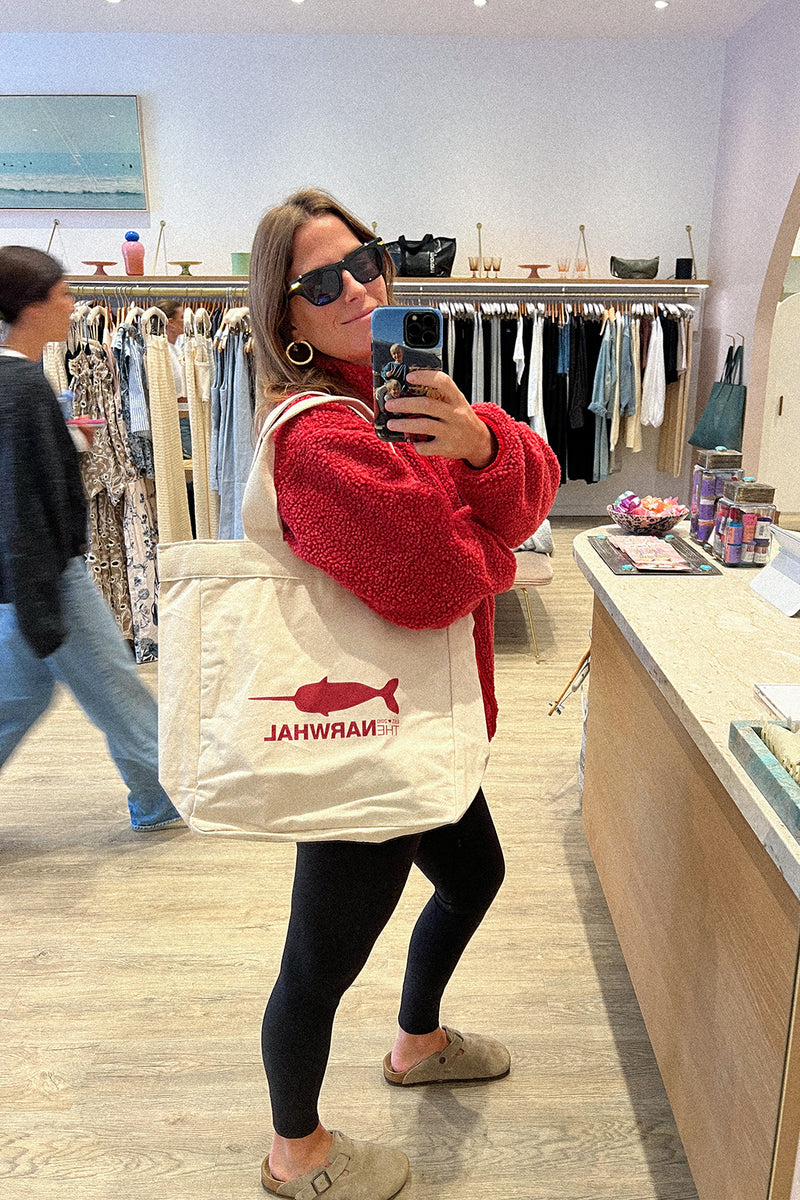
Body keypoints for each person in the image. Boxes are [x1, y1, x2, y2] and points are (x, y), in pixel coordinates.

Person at [246, 189, 560, 1200]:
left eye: (365, 261)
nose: (356, 289)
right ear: (285, 313)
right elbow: (434, 581)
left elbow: (535, 487)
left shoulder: (407, 404)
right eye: (320, 281)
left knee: (475, 878)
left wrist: (478, 446)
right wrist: (496, 554)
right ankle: (295, 1153)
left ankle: (417, 1042)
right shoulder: (317, 440)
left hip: (426, 724)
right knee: (317, 964)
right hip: (364, 736)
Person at [0, 245, 182, 832]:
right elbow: (22, 503)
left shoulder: (15, 384)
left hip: (26, 575)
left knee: (21, 697)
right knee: (114, 688)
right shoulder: (22, 387)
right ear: (33, 307)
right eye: (63, 294)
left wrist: (65, 441)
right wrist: (39, 600)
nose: (72, 304)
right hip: (48, 573)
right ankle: (161, 798)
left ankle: (159, 796)